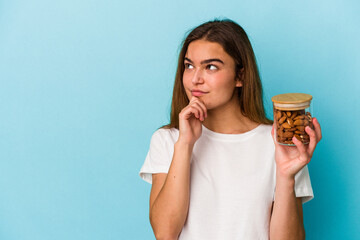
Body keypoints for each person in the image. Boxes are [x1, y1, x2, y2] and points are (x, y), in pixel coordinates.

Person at [139, 18, 322, 240]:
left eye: (211, 67)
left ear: (240, 76)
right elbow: (164, 234)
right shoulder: (168, 140)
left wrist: (286, 176)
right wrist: (185, 145)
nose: (195, 79)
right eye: (189, 66)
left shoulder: (279, 144)